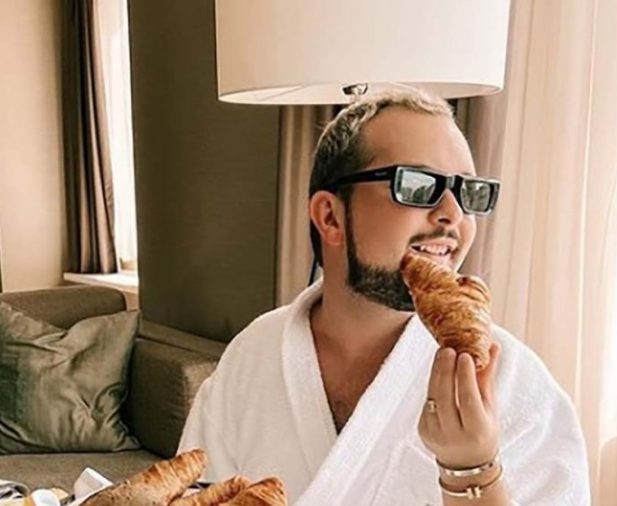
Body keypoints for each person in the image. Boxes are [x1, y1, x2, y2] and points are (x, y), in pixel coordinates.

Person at [179, 88, 590, 505]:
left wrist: (473, 469)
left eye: (469, 192)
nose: (453, 214)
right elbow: (195, 494)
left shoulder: (513, 383)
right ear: (330, 216)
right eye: (417, 185)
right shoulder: (255, 353)